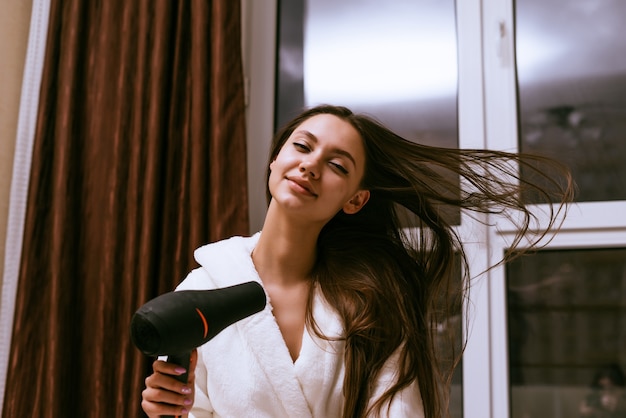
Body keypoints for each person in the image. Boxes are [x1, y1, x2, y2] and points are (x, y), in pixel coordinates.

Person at [141, 104, 574, 417]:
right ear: (276, 159)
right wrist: (168, 411)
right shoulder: (202, 291)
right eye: (302, 147)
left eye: (337, 165)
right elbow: (194, 412)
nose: (310, 166)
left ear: (356, 199)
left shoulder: (371, 301)